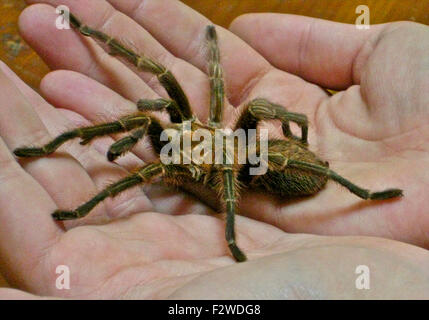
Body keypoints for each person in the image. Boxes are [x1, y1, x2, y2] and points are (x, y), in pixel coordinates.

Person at [0, 0, 428, 299]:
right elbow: (164, 102)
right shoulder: (181, 131)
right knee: (163, 80)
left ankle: (363, 193)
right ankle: (57, 136)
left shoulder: (194, 159)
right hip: (239, 152)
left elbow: (233, 136)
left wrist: (230, 236)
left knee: (250, 138)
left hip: (261, 164)